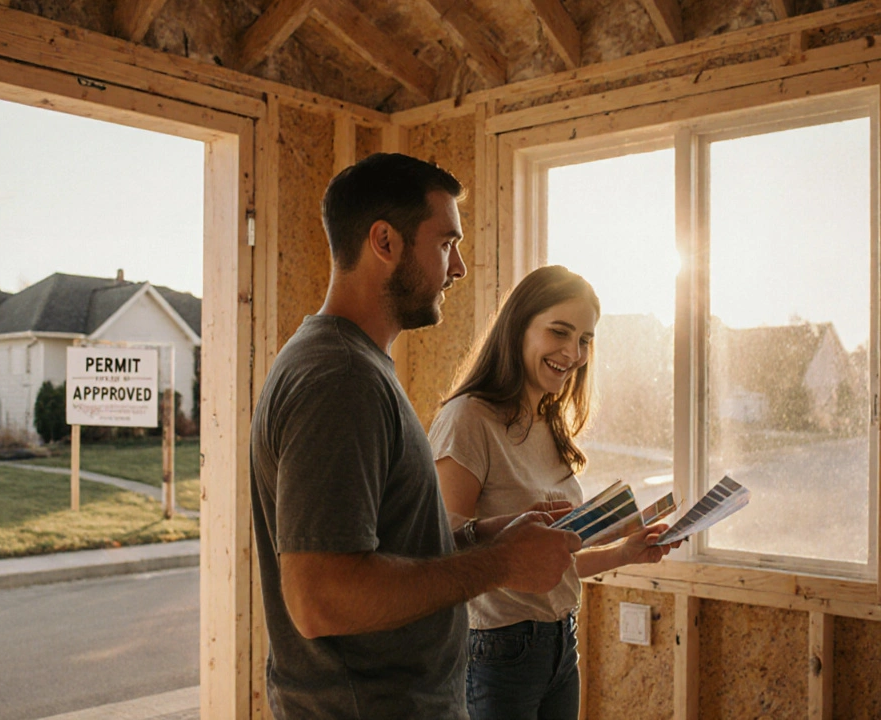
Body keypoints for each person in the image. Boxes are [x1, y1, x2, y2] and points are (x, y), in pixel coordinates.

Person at [249, 153, 583, 720]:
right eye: (447, 243)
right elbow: (321, 598)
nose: (459, 267)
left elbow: (385, 551)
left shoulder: (357, 366)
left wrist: (483, 538)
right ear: (385, 241)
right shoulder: (338, 378)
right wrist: (500, 566)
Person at [428, 264, 677, 720]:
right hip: (496, 651)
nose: (574, 352)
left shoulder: (550, 423)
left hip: (561, 645)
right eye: (560, 332)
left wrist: (627, 551)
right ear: (518, 328)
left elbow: (551, 568)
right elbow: (441, 550)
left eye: (585, 339)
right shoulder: (468, 420)